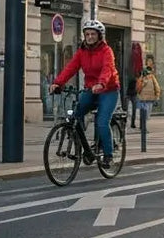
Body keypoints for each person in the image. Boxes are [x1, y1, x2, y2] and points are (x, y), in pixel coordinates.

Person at [50, 20, 121, 167]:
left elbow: (108, 69)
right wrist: (58, 83)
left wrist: (101, 83)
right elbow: (71, 67)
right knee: (75, 114)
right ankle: (83, 146)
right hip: (91, 89)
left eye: (93, 34)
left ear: (99, 36)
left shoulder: (106, 51)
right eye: (87, 34)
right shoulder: (82, 52)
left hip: (108, 90)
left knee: (102, 122)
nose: (89, 37)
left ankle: (108, 154)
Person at [134, 54, 162, 132]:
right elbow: (157, 87)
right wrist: (157, 96)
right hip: (146, 99)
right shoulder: (148, 78)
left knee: (144, 114)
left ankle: (142, 127)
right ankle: (143, 128)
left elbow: (138, 88)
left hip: (145, 99)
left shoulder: (144, 78)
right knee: (145, 114)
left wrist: (157, 95)